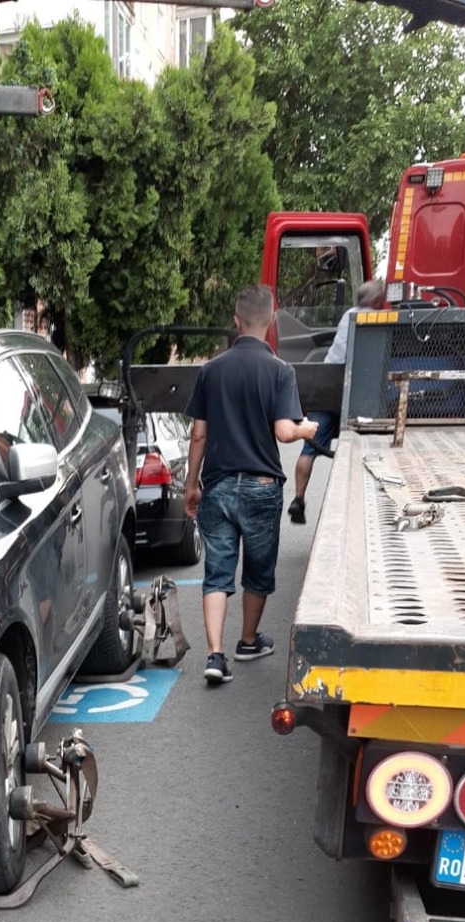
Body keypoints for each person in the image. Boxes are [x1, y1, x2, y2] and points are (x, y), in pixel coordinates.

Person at [184, 284, 317, 686]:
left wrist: (191, 484)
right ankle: (247, 641)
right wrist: (306, 429)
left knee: (217, 571)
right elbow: (284, 431)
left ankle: (215, 655)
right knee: (257, 570)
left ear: (236, 321)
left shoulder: (210, 370)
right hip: (262, 486)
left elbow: (198, 434)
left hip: (219, 485)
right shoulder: (280, 371)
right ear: (272, 321)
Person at [288, 277, 386, 523]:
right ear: (376, 301)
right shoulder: (375, 320)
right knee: (361, 446)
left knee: (309, 448)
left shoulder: (347, 316)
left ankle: (298, 498)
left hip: (327, 387)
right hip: (356, 394)